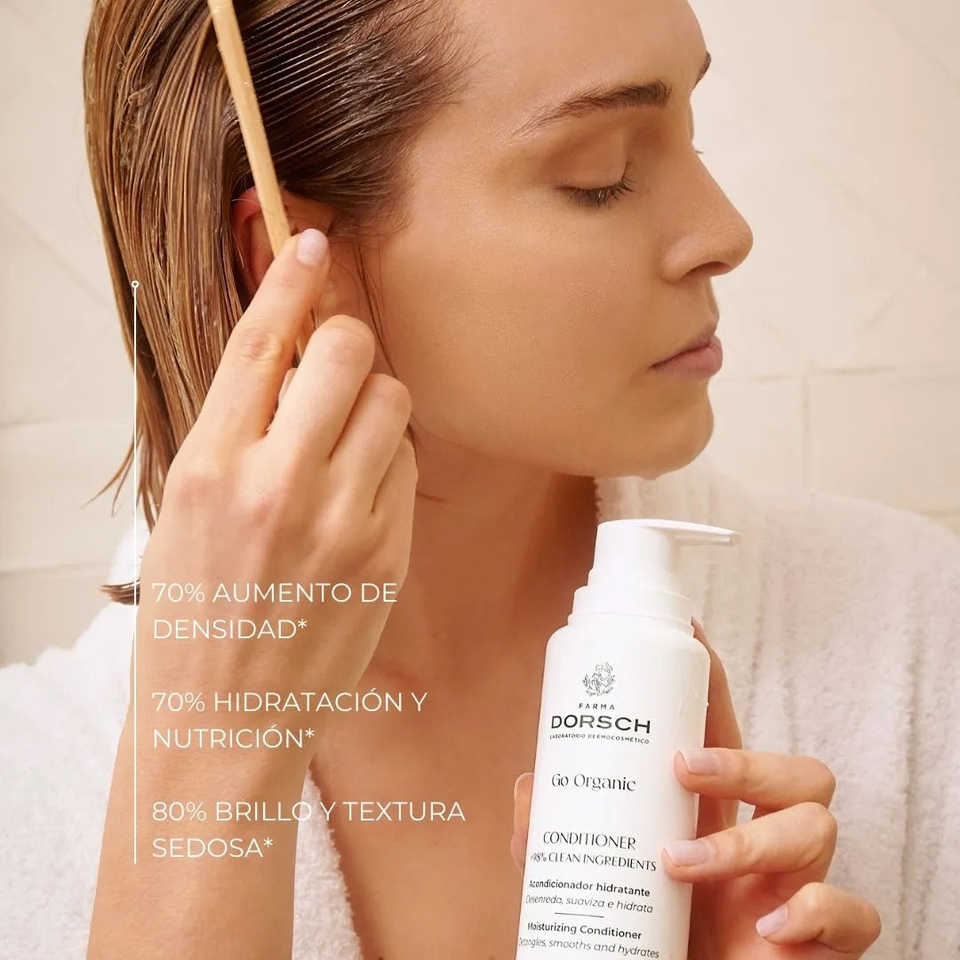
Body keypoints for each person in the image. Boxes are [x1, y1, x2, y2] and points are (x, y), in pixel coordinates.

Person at [12, 0, 958, 955]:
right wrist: (214, 752)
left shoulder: (914, 640)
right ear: (298, 261)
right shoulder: (27, 802)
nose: (726, 231)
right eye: (602, 176)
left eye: (692, 131)